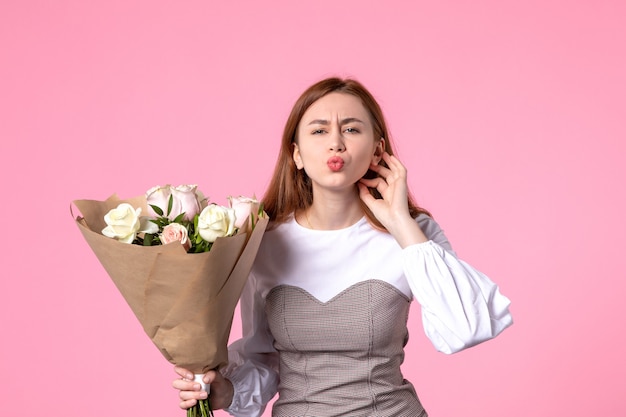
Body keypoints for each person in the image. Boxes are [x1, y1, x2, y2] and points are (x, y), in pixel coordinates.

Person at [172, 77, 513, 416]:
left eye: (351, 129)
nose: (336, 143)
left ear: (378, 150)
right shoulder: (262, 242)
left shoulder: (413, 233)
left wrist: (400, 223)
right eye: (319, 131)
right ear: (297, 154)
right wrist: (225, 392)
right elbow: (263, 358)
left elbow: (467, 326)